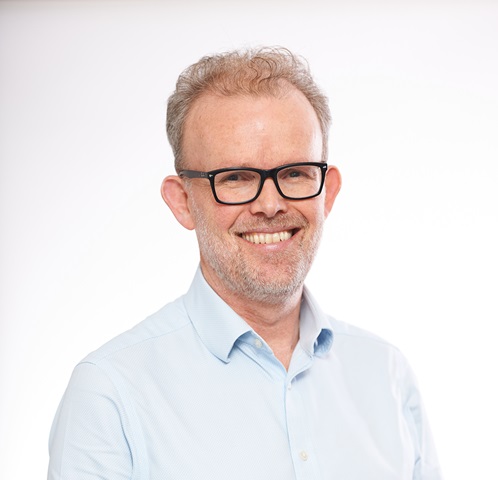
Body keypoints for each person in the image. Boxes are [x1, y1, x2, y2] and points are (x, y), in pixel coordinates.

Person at [48, 47, 442, 480]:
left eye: (294, 173)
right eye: (235, 177)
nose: (270, 205)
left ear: (327, 192)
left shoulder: (387, 376)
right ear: (182, 202)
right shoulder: (110, 396)